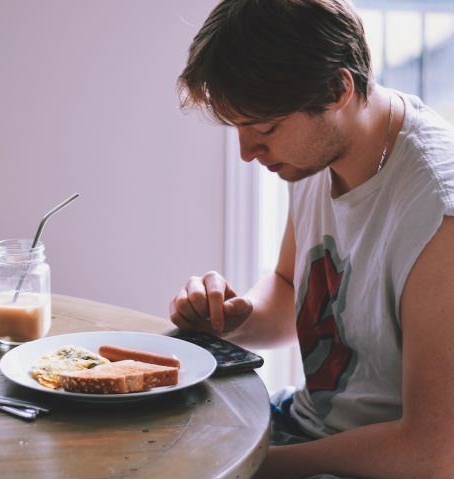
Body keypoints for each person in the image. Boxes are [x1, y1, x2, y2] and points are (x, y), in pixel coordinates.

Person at [172, 0, 454, 477]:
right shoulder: (314, 157)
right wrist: (231, 320)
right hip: (304, 424)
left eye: (264, 127)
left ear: (336, 88)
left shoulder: (437, 210)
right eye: (238, 128)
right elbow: (288, 287)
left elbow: (433, 453)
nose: (247, 152)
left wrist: (252, 464)